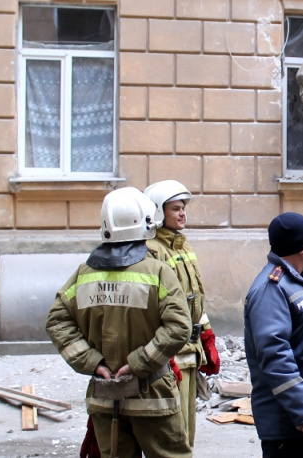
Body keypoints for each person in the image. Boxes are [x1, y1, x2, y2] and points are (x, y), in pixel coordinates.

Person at [46, 187, 192, 458]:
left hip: (104, 396)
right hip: (153, 397)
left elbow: (57, 321)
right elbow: (179, 326)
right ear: (147, 222)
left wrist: (93, 363)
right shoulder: (158, 272)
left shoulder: (84, 273)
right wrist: (138, 363)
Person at [244, 212, 303, 458]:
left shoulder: (300, 282)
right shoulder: (272, 289)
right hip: (291, 426)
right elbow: (275, 355)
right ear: (299, 247)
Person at [144, 179, 220, 448]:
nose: (182, 213)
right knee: (171, 433)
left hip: (190, 352)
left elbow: (194, 300)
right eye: (175, 208)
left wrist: (207, 338)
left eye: (183, 208)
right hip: (172, 357)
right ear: (156, 212)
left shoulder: (184, 249)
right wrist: (165, 355)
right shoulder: (152, 252)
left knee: (187, 431)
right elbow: (154, 310)